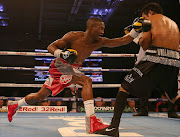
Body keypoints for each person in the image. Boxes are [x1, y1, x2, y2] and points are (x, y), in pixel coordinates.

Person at [7, 17, 149, 133]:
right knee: (86, 81)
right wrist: (61, 53)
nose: (103, 30)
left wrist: (134, 33)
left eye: (103, 28)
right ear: (91, 28)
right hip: (61, 66)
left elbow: (120, 41)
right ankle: (91, 120)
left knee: (40, 96)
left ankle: (15, 105)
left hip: (71, 68)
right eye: (100, 28)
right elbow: (51, 46)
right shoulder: (73, 36)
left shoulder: (99, 42)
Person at [95, 2, 180, 137]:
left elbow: (143, 43)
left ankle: (113, 128)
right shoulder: (173, 24)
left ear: (149, 12)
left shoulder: (148, 20)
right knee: (173, 96)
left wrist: (138, 40)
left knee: (124, 87)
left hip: (154, 58)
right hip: (175, 62)